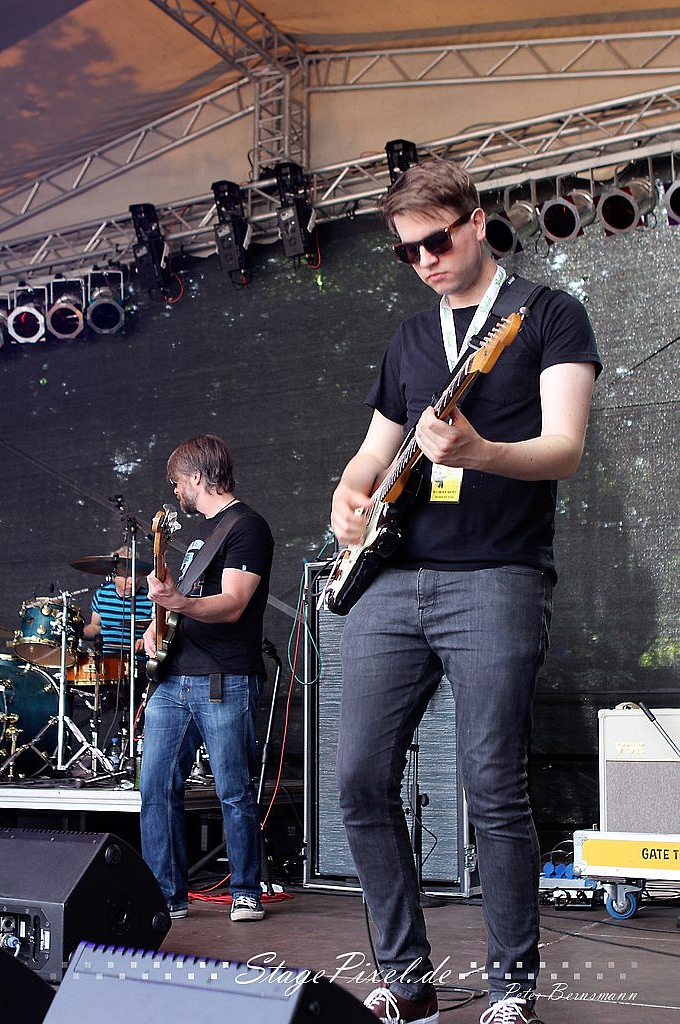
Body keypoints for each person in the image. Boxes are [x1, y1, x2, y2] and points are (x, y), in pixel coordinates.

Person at [330, 159, 601, 1024]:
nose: (424, 261)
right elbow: (372, 452)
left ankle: (511, 988)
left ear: (476, 222)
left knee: (491, 786)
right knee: (357, 780)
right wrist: (348, 492)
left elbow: (564, 449)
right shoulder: (410, 340)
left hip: (496, 576)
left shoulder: (545, 314)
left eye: (436, 242)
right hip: (390, 579)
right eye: (406, 252)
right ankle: (405, 980)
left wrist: (479, 453)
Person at [141, 434, 274, 923]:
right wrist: (157, 625)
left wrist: (176, 602)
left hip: (224, 678)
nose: (175, 490)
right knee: (155, 788)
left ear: (197, 476)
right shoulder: (198, 536)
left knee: (233, 791)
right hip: (173, 679)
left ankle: (245, 891)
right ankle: (166, 894)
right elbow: (181, 602)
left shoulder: (247, 527)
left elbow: (233, 603)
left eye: (177, 481)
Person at [82, 547, 153, 671]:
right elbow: (95, 627)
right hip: (106, 662)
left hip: (138, 664)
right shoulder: (101, 595)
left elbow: (159, 632)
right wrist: (78, 633)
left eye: (135, 575)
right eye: (126, 576)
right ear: (114, 576)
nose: (131, 582)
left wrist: (146, 641)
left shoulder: (150, 598)